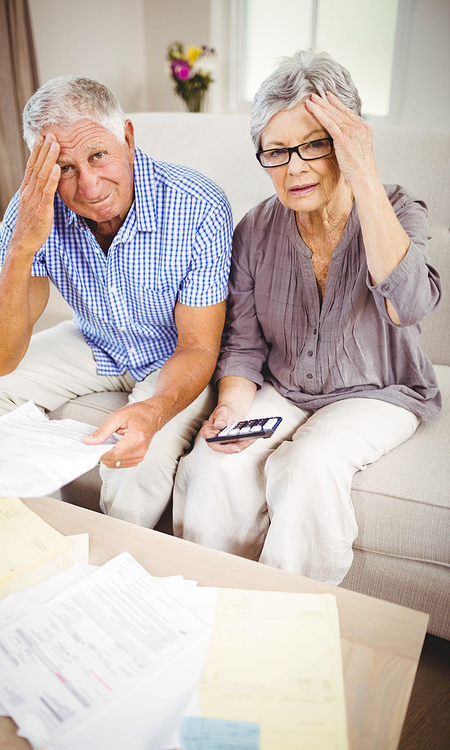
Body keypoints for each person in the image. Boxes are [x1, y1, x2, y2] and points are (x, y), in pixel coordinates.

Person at [173, 50, 441, 585]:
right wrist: (229, 408)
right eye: (275, 152)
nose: (294, 167)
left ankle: (288, 621)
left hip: (379, 390)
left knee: (308, 466)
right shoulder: (254, 230)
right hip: (288, 387)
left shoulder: (399, 210)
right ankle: (204, 604)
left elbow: (408, 304)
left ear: (347, 140)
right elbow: (244, 345)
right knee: (210, 464)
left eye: (314, 144)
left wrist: (364, 175)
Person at [0, 75, 232, 527]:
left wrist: (150, 411)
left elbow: (199, 347)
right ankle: (35, 529)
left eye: (98, 155)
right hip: (98, 341)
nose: (88, 186)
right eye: (65, 168)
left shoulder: (198, 206)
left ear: (126, 137)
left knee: (136, 464)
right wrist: (22, 246)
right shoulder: (32, 210)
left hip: (175, 355)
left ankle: (115, 565)